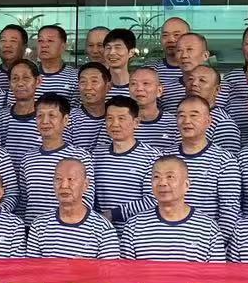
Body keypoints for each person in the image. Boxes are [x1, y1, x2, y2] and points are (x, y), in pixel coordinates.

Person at [172, 95, 239, 235]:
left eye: (194, 115)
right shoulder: (164, 158)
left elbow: (229, 211)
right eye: (181, 116)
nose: (186, 121)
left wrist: (213, 241)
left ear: (208, 121)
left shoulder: (225, 160)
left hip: (206, 239)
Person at [17, 93, 87, 219]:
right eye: (40, 116)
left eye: (52, 115)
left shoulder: (80, 156)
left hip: (67, 227)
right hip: (32, 227)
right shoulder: (28, 159)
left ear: (65, 120)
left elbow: (86, 200)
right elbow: (23, 202)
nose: (45, 121)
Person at [91, 95, 158, 226]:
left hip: (138, 232)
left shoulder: (151, 157)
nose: (115, 124)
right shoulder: (96, 155)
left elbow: (154, 199)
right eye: (109, 118)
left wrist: (113, 214)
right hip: (103, 232)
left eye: (121, 118)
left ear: (136, 122)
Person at [181, 62, 242, 151]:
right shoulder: (179, 116)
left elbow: (229, 156)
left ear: (217, 90)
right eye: (190, 79)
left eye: (202, 80)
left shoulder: (223, 124)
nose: (194, 83)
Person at [0, 59, 42, 160]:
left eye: (26, 78)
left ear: (38, 81)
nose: (20, 83)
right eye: (15, 78)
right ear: (9, 83)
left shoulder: (45, 120)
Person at [128, 66, 177, 155]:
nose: (139, 88)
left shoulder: (174, 124)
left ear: (159, 90)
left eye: (146, 83)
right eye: (133, 84)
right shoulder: (121, 122)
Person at [69, 62, 111, 154]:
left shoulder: (116, 117)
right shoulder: (69, 118)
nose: (88, 87)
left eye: (94, 81)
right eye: (83, 82)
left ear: (108, 87)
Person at [0, 24, 29, 103]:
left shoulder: (35, 75)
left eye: (13, 41)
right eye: (3, 40)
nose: (7, 45)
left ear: (24, 47)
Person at [34, 24, 79, 100]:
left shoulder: (75, 77)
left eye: (50, 40)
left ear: (63, 46)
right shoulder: (28, 75)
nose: (44, 45)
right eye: (40, 40)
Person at [156, 16, 191, 98]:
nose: (170, 40)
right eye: (165, 35)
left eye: (176, 35)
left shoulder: (202, 72)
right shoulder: (151, 69)